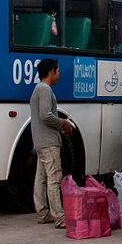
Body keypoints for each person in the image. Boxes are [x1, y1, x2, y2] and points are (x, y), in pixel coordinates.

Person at [30, 58, 73, 228]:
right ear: (51, 72)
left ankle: (43, 213)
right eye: (58, 71)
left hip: (40, 141)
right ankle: (59, 217)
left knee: (40, 178)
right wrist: (63, 123)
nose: (59, 74)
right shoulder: (45, 90)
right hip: (48, 142)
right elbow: (46, 115)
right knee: (54, 179)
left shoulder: (37, 89)